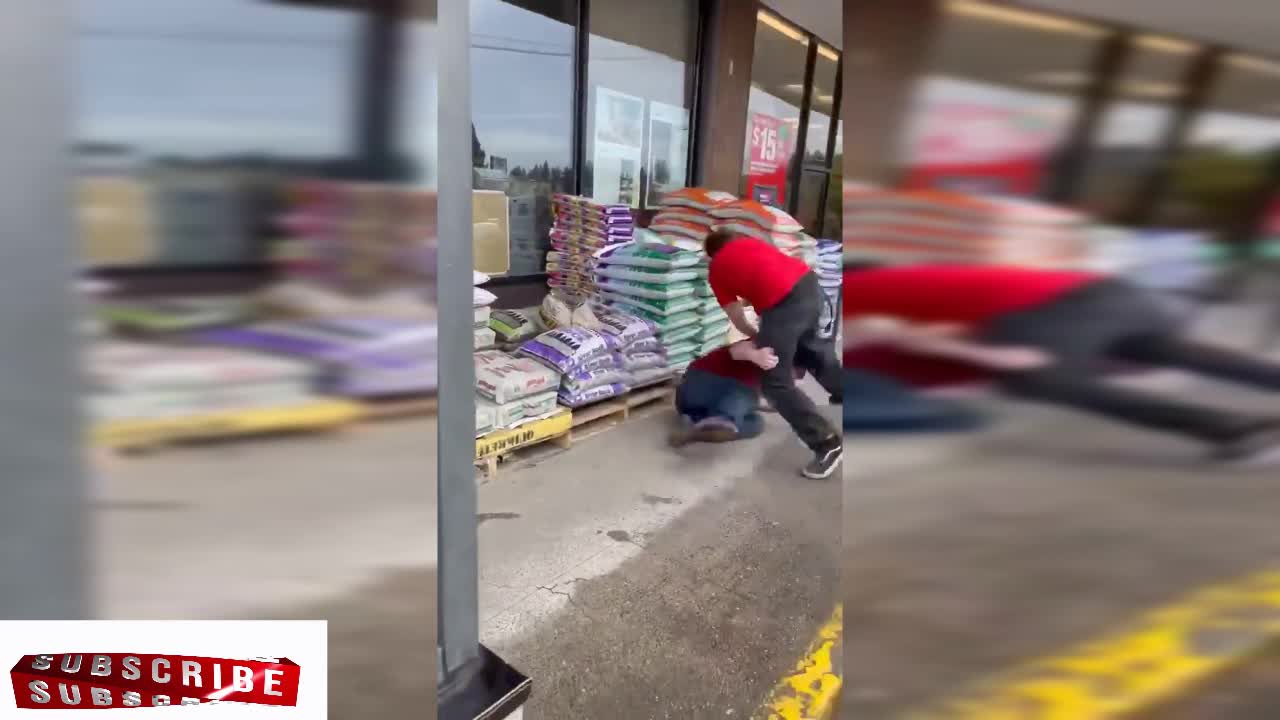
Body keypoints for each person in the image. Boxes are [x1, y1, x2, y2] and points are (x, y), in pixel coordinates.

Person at [842, 263, 1280, 462]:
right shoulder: (916, 280)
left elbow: (895, 332)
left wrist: (993, 357)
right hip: (1114, 292)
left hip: (1050, 310)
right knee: (1172, 350)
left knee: (1037, 380)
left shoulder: (855, 293)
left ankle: (1235, 428)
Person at [704, 229, 843, 479]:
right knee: (811, 352)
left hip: (782, 305)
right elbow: (766, 275)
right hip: (809, 285)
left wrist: (755, 334)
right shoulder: (753, 243)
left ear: (712, 254)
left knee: (774, 382)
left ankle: (826, 443)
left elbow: (736, 315)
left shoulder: (716, 270)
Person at [670, 340, 778, 447]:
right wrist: (755, 355)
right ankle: (722, 419)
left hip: (691, 401)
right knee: (748, 395)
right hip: (700, 385)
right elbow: (737, 350)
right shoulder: (765, 346)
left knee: (756, 423)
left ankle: (697, 426)